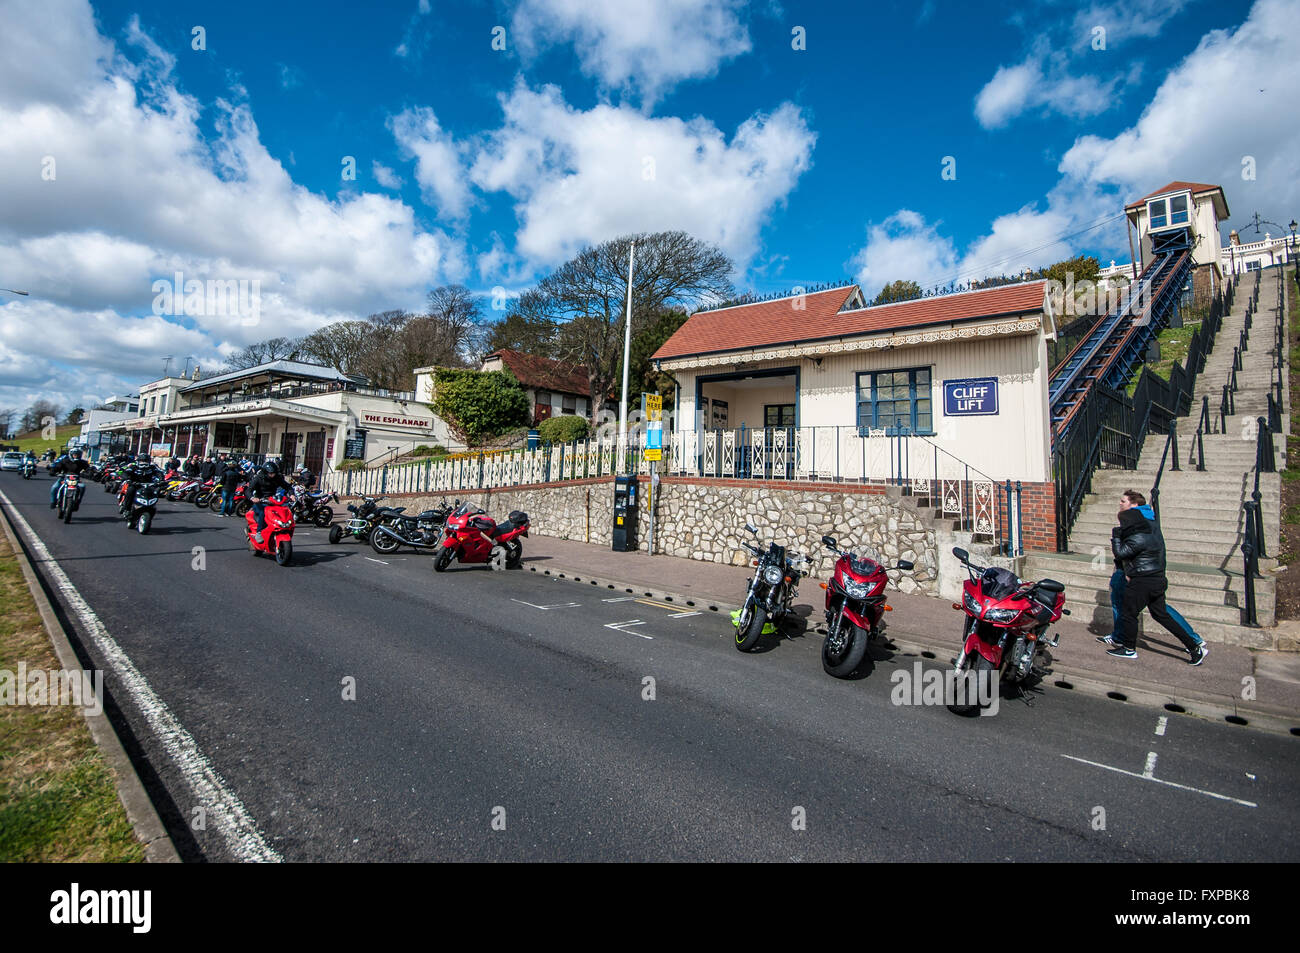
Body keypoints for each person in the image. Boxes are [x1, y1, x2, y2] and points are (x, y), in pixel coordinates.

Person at [1102, 489, 1209, 665]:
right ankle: (1194, 646)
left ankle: (1128, 649)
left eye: (1123, 502)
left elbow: (1121, 553)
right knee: (1160, 614)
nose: (1120, 506)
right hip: (1156, 577)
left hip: (1142, 579)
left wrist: (1116, 537)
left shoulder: (1138, 534)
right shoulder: (1151, 529)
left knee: (1129, 613)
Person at [247, 459, 292, 543]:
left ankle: (285, 527)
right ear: (265, 472)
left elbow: (288, 486)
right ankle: (259, 532)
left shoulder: (277, 478)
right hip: (260, 501)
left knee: (284, 510)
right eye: (270, 473)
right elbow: (248, 490)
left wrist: (291, 494)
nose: (272, 475)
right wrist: (253, 498)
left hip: (273, 500)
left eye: (274, 473)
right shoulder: (258, 478)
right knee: (263, 512)